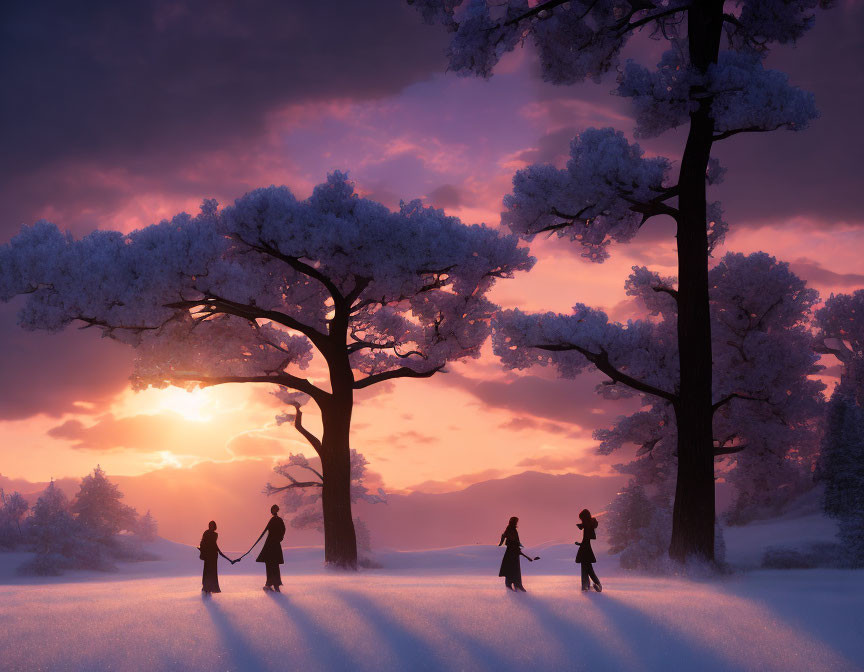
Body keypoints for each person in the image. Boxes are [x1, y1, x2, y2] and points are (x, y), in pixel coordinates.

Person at [498, 516, 539, 592]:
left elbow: (511, 539)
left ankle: (516, 584)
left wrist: (520, 546)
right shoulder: (510, 529)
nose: (517, 523)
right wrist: (500, 544)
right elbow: (505, 537)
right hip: (511, 551)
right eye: (516, 521)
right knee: (511, 568)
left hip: (514, 551)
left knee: (514, 568)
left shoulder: (512, 529)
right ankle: (512, 584)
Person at [198, 521, 236, 595]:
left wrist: (219, 552)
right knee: (207, 571)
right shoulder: (208, 533)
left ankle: (209, 587)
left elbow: (213, 544)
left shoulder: (214, 534)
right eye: (210, 525)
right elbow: (203, 542)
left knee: (212, 571)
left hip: (213, 555)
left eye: (212, 525)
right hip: (209, 555)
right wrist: (202, 552)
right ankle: (206, 587)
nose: (211, 526)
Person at [256, 504, 286, 592]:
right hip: (274, 546)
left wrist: (277, 539)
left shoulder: (274, 520)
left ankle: (270, 584)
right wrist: (279, 539)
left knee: (270, 565)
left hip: (270, 546)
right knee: (274, 565)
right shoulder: (279, 520)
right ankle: (274, 584)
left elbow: (266, 532)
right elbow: (283, 530)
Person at [575, 509, 602, 592]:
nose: (581, 520)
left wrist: (581, 544)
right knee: (587, 568)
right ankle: (587, 585)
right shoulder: (589, 525)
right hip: (586, 549)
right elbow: (587, 539)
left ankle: (589, 585)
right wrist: (580, 544)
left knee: (587, 568)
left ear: (584, 518)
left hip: (585, 550)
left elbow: (587, 539)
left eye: (582, 518)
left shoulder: (588, 526)